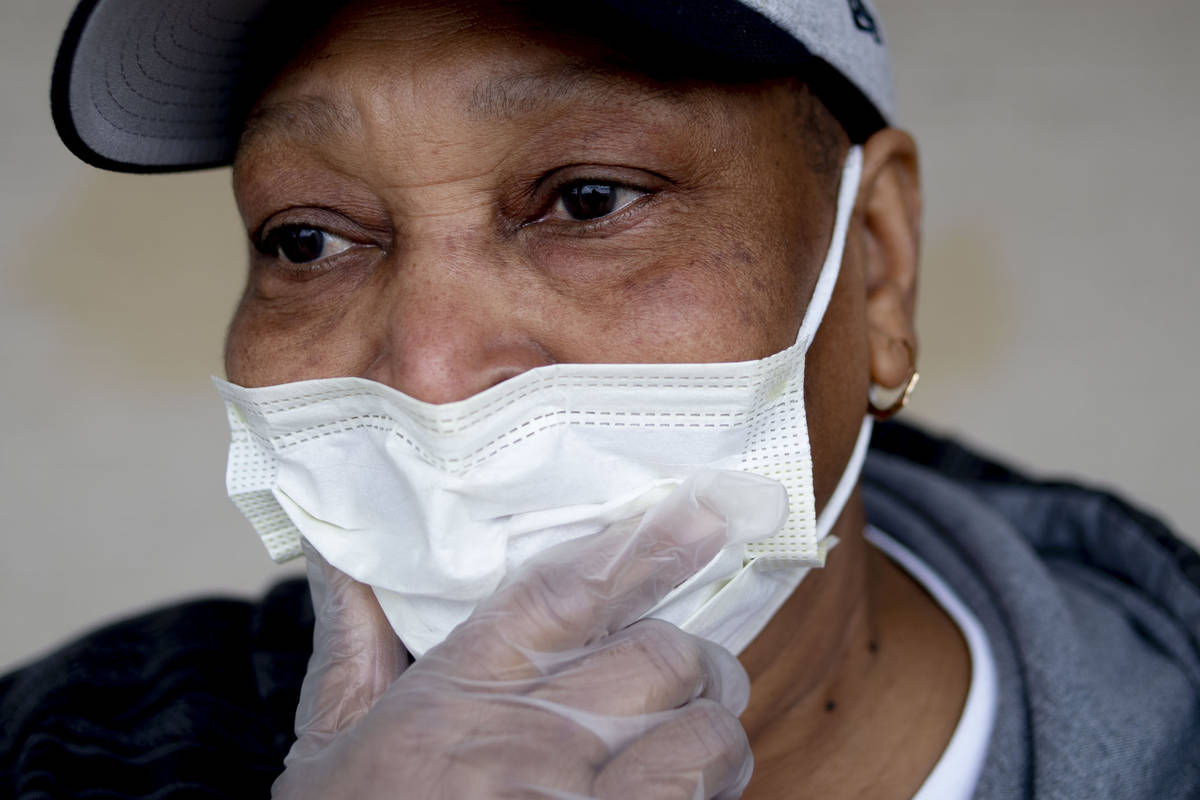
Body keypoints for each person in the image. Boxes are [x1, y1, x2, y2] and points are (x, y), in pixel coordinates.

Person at [3, 0, 1198, 797]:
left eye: (587, 200)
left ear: (876, 264)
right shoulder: (63, 750)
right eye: (307, 236)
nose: (431, 371)